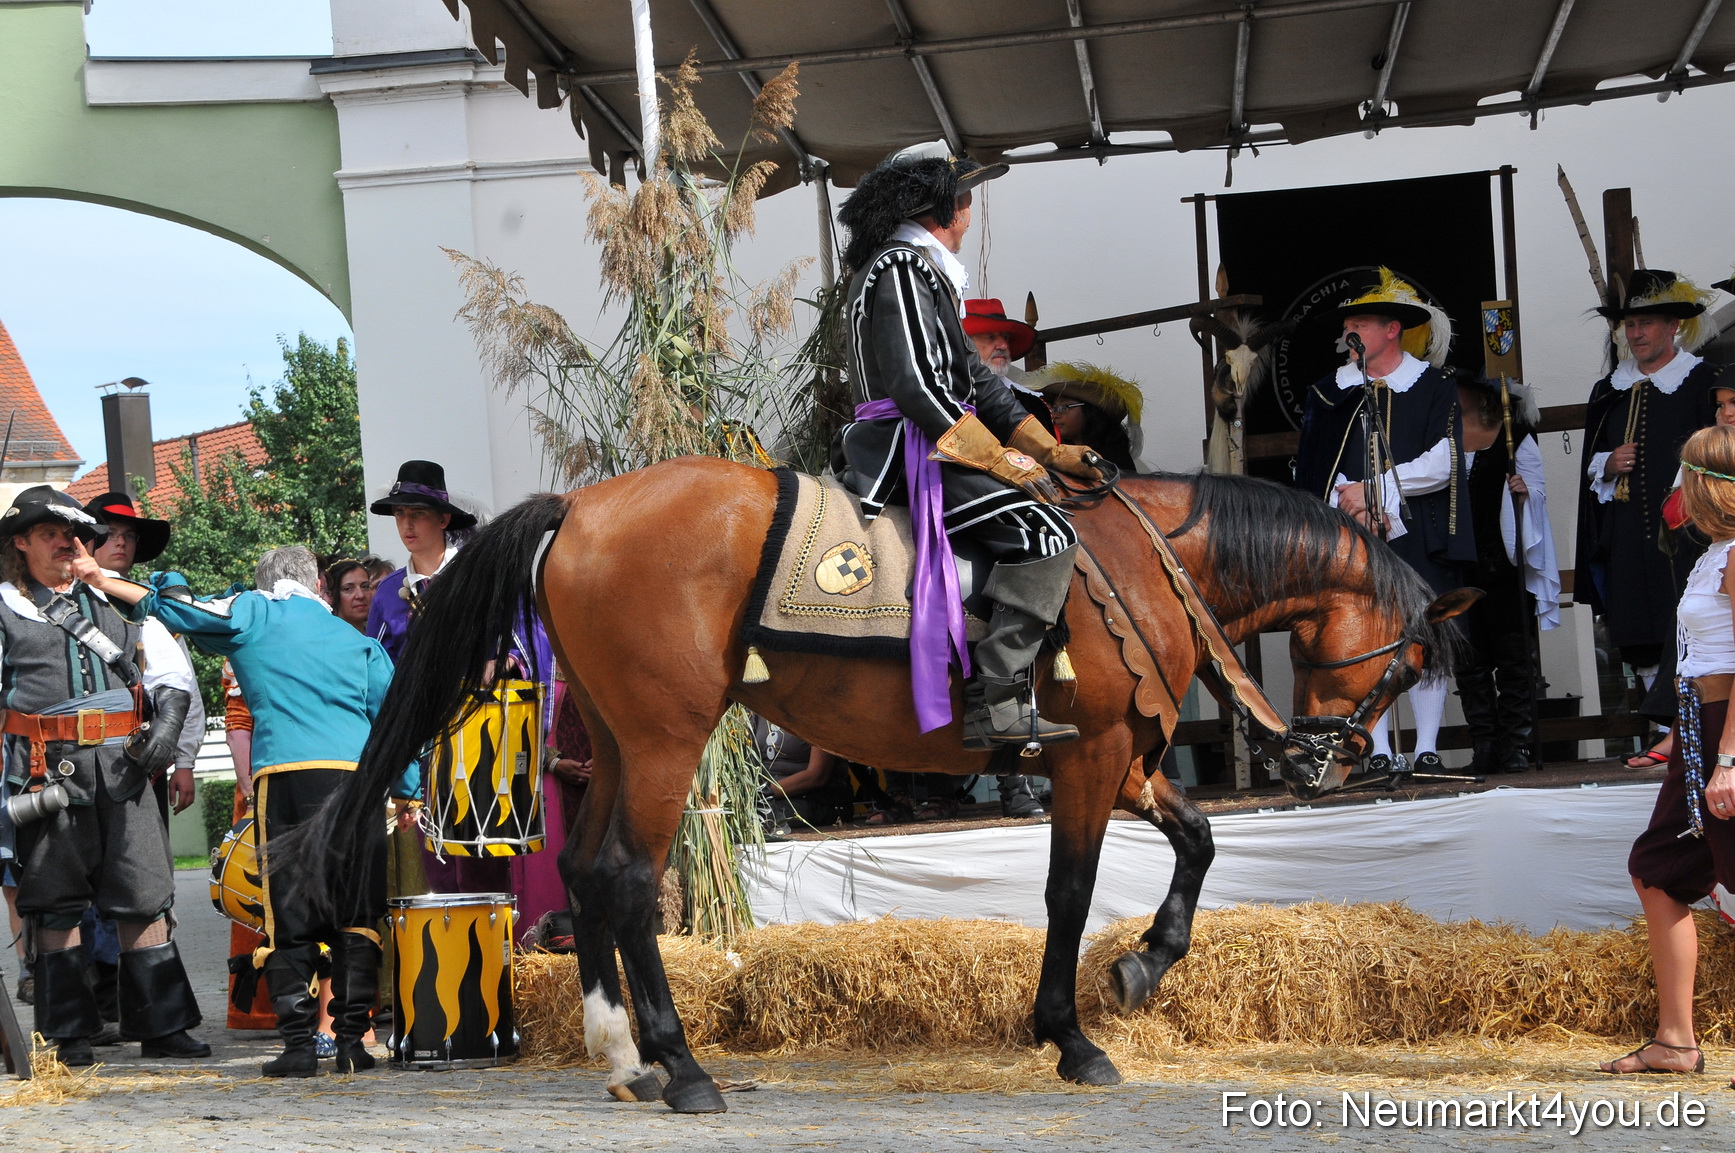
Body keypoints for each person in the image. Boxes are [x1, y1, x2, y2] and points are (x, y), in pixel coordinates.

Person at [76, 544, 403, 1077]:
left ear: (266, 582)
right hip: (356, 781)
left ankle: (299, 1046)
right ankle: (352, 1044)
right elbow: (390, 717)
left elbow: (180, 611)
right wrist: (408, 788)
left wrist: (108, 579)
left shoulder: (255, 610)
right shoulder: (355, 639)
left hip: (288, 778)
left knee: (290, 916)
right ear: (319, 585)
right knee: (358, 915)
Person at [832, 147, 1100, 749]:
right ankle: (997, 699)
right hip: (907, 447)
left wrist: (1046, 448)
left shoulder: (916, 269)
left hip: (931, 438)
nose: (971, 213)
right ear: (947, 207)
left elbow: (975, 382)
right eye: (967, 199)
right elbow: (919, 388)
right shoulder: (901, 267)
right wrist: (1001, 460)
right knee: (1048, 535)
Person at [0, 486, 206, 1067]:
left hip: (126, 765)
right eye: (50, 534)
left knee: (145, 895)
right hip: (47, 772)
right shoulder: (4, 608)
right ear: (21, 543)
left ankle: (163, 1029)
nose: (66, 543)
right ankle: (68, 1036)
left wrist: (166, 726)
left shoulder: (117, 601)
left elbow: (171, 673)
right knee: (55, 903)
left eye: (73, 534)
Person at [1294, 268, 1474, 775]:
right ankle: (1376, 750)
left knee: (1425, 633)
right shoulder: (1329, 391)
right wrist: (1350, 501)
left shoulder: (1435, 385)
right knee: (1367, 636)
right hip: (1352, 531)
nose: (1350, 333)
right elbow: (1314, 466)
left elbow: (1444, 462)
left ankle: (1428, 749)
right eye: (1347, 324)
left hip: (1420, 526)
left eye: (1362, 324)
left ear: (1392, 329)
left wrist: (1377, 491)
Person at [1599, 423, 1735, 1079]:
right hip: (1697, 723)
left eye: (1685, 473)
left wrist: (1728, 757)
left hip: (1725, 729)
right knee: (1655, 866)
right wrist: (1679, 737)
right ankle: (1674, 1039)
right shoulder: (1713, 551)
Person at [1576, 270, 1718, 764]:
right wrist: (1606, 463)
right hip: (1625, 537)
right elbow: (1591, 461)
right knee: (1637, 635)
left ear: (1673, 326)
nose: (1636, 334)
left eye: (1646, 324)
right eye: (1629, 325)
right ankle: (1667, 735)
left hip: (1688, 536)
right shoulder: (1609, 389)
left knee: (1686, 631)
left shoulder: (1702, 383)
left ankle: (1694, 737)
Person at [1453, 375, 1561, 774]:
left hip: (1504, 566)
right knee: (1468, 661)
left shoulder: (1516, 438)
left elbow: (1538, 494)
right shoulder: (1443, 440)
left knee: (1515, 659)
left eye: (1460, 388)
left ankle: (1516, 745)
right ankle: (1484, 746)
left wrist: (1522, 491)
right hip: (1461, 565)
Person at [366, 460, 477, 661]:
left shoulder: (479, 578)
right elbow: (376, 665)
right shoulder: (389, 591)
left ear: (443, 519)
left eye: (418, 513)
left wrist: (497, 665)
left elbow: (525, 636)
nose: (407, 524)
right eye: (400, 513)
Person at [1030, 361, 1143, 474]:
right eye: (1054, 408)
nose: (1055, 415)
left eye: (1064, 407)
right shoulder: (1057, 452)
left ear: (1090, 412)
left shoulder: (1114, 456)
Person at [751, 714, 852, 836]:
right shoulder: (759, 709)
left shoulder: (818, 711)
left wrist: (762, 793)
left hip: (811, 800)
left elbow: (817, 776)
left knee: (752, 819)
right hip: (764, 799)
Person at [326, 556, 380, 632]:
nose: (360, 595)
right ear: (331, 595)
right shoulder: (328, 639)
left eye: (365, 586)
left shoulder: (381, 634)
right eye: (348, 589)